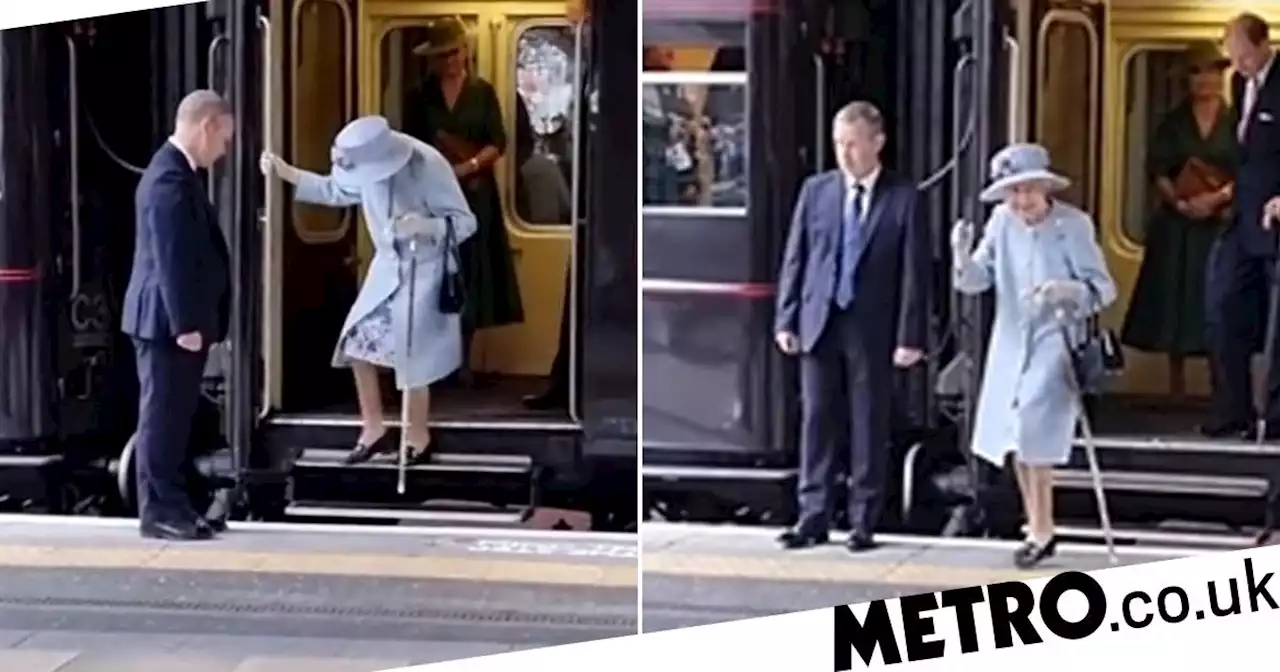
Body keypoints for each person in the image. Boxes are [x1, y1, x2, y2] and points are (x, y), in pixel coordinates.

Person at [259, 116, 477, 466]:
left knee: (413, 353)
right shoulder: (365, 162)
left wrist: (425, 226)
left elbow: (466, 223)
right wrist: (289, 174)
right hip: (388, 266)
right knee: (357, 343)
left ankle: (416, 436)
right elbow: (338, 190)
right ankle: (373, 429)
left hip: (426, 267)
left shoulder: (427, 163)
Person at [772, 101, 929, 552]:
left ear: (877, 144)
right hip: (819, 320)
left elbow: (915, 274)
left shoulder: (905, 197)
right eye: (839, 144)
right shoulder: (816, 190)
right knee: (817, 418)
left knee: (868, 422)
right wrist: (787, 317)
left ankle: (863, 520)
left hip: (873, 327)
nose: (845, 154)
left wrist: (910, 336)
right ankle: (812, 515)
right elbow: (796, 257)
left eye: (854, 144)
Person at [952, 143, 1117, 568]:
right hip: (1009, 344)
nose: (1021, 200)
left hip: (1054, 341)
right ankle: (1037, 526)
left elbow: (1103, 289)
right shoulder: (1001, 223)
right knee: (1017, 439)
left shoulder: (1073, 225)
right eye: (1012, 192)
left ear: (1045, 187)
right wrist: (960, 256)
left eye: (1027, 190)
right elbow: (975, 281)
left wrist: (1067, 291)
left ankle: (1042, 528)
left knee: (1031, 426)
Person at [121, 90, 235, 541]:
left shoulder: (176, 174)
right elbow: (171, 258)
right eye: (223, 138)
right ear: (206, 126)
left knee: (174, 417)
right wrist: (186, 323)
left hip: (170, 323)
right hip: (166, 324)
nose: (223, 150)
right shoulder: (169, 181)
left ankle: (176, 505)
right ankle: (160, 513)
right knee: (162, 419)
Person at [403, 18, 523, 387]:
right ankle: (435, 361)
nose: (451, 60)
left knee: (472, 276)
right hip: (432, 200)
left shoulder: (482, 92)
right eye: (443, 55)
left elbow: (497, 142)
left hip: (474, 197)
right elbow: (410, 145)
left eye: (454, 52)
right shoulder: (419, 97)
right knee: (434, 277)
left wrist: (467, 166)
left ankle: (463, 361)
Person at [1121, 43, 1236, 400]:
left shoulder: (1237, 121)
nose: (1205, 79)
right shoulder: (1173, 122)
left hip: (1221, 221)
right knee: (1174, 298)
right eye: (1196, 72)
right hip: (1177, 224)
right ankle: (1175, 387)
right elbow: (1157, 168)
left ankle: (1224, 387)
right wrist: (1180, 202)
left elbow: (1248, 167)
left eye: (1212, 71)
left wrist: (1216, 199)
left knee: (1219, 300)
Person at [1205, 13, 1280, 440]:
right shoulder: (1239, 84)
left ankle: (1275, 416)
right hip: (1244, 214)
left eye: (1245, 55)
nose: (1240, 63)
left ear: (1263, 43)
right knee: (1223, 304)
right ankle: (1231, 410)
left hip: (1277, 216)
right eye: (1234, 56)